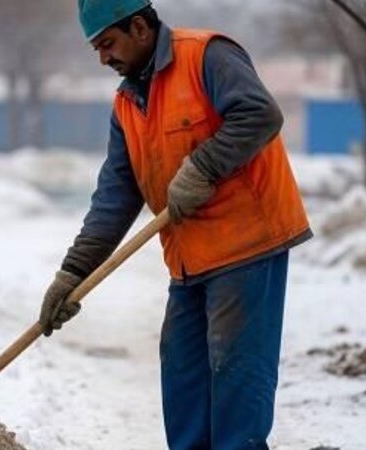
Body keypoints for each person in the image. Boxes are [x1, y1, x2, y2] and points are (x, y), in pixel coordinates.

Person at [38, 1, 312, 449]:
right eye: (96, 49)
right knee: (183, 375)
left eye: (107, 44)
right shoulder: (127, 103)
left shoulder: (207, 56)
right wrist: (72, 273)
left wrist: (203, 165)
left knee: (236, 380)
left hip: (246, 246)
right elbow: (114, 198)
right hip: (188, 260)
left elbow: (261, 113)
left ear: (141, 27)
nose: (103, 58)